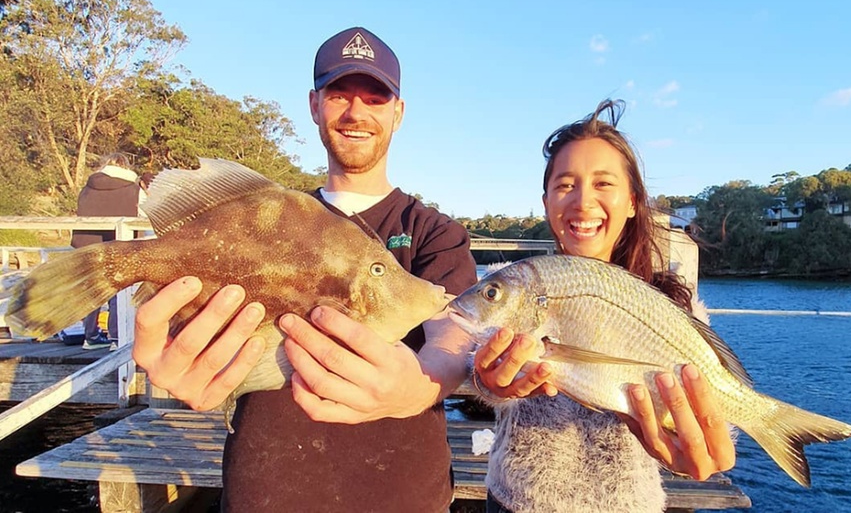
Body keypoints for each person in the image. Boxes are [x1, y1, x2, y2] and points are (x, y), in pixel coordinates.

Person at [131, 26, 478, 512]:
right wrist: (179, 357)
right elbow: (200, 328)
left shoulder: (435, 232)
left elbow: (455, 332)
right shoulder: (273, 216)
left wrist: (420, 387)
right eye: (340, 94)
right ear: (314, 105)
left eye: (376, 97)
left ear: (398, 113)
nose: (357, 112)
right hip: (266, 493)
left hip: (402, 497)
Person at [472, 99, 736, 513]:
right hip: (513, 503)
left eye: (603, 183)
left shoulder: (676, 307)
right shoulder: (513, 283)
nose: (582, 201)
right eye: (565, 184)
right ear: (545, 202)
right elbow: (469, 361)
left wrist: (700, 446)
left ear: (632, 202)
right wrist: (486, 382)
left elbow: (715, 413)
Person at [70, 152, 146, 349]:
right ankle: (117, 336)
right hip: (119, 245)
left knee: (91, 290)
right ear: (126, 167)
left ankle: (90, 336)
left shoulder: (87, 189)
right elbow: (144, 215)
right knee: (117, 288)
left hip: (87, 246)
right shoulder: (133, 189)